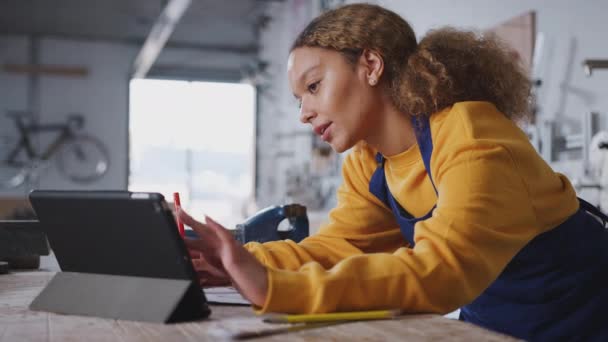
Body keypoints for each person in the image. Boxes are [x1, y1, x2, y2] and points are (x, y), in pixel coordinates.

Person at [180, 3, 608, 340]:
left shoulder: (471, 136)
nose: (304, 114)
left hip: (586, 320)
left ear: (370, 65)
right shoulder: (370, 162)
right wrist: (243, 261)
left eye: (313, 87)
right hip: (494, 323)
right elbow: (342, 248)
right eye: (299, 99)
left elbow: (440, 271)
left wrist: (277, 288)